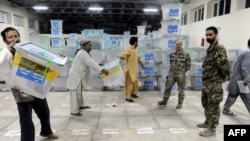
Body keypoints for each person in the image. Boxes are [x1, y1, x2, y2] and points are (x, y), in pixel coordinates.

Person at [0, 27, 58, 141]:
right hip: (21, 92)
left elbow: (41, 59)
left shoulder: (25, 49)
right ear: (5, 40)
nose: (14, 39)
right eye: (10, 37)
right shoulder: (5, 54)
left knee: (45, 113)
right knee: (26, 122)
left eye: (16, 36)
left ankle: (46, 131)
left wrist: (56, 58)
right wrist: (7, 81)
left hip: (35, 88)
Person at [197, 26, 230, 137]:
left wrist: (221, 79)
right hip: (207, 82)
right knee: (205, 103)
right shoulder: (210, 49)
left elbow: (224, 66)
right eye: (206, 35)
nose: (208, 37)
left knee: (214, 106)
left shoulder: (219, 48)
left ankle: (212, 129)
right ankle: (207, 122)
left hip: (214, 83)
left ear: (216, 35)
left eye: (210, 34)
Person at [67, 39, 109, 116]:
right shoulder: (82, 53)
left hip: (78, 75)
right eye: (89, 45)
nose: (91, 47)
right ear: (84, 45)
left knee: (78, 92)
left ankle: (81, 105)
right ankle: (74, 111)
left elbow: (90, 61)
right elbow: (91, 63)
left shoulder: (84, 53)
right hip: (75, 75)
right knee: (74, 93)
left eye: (91, 45)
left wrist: (98, 63)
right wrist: (103, 70)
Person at [158, 39, 191, 109]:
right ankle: (164, 100)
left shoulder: (186, 55)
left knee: (181, 90)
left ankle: (180, 103)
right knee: (167, 87)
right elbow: (171, 63)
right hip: (172, 74)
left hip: (181, 75)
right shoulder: (172, 54)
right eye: (177, 44)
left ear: (182, 45)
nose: (178, 46)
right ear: (175, 45)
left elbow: (188, 66)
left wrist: (182, 71)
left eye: (179, 44)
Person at [223, 38, 250, 116]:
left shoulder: (243, 49)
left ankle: (226, 109)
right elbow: (245, 67)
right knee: (247, 97)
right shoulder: (248, 53)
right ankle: (226, 109)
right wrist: (246, 79)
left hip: (236, 77)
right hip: (242, 79)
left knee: (233, 94)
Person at [119, 36, 144, 102]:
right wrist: (121, 56)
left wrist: (142, 65)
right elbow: (124, 55)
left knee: (135, 83)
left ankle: (133, 93)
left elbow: (137, 58)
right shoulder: (129, 49)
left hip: (134, 70)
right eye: (137, 42)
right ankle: (128, 97)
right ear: (135, 42)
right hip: (129, 70)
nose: (138, 43)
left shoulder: (134, 50)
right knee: (129, 84)